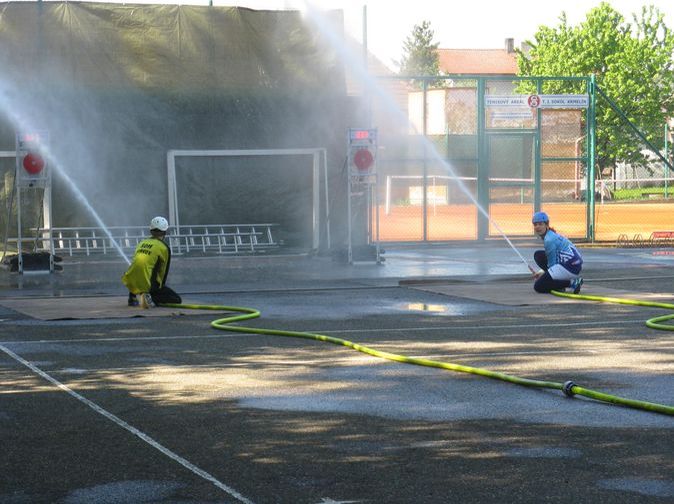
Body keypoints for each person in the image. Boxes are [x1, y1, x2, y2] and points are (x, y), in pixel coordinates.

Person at [122, 216, 182, 308]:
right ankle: (149, 297)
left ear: (151, 231)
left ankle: (132, 298)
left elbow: (136, 262)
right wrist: (160, 288)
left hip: (131, 281)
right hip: (147, 285)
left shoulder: (142, 242)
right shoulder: (163, 247)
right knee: (177, 299)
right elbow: (163, 272)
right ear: (165, 232)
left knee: (139, 270)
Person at [531, 211, 583, 294]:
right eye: (535, 224)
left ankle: (572, 282)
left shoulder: (549, 240)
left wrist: (543, 276)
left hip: (570, 267)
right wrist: (543, 273)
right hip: (573, 264)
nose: (537, 227)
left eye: (540, 224)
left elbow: (552, 264)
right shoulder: (551, 234)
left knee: (538, 286)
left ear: (546, 225)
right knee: (538, 255)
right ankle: (559, 284)